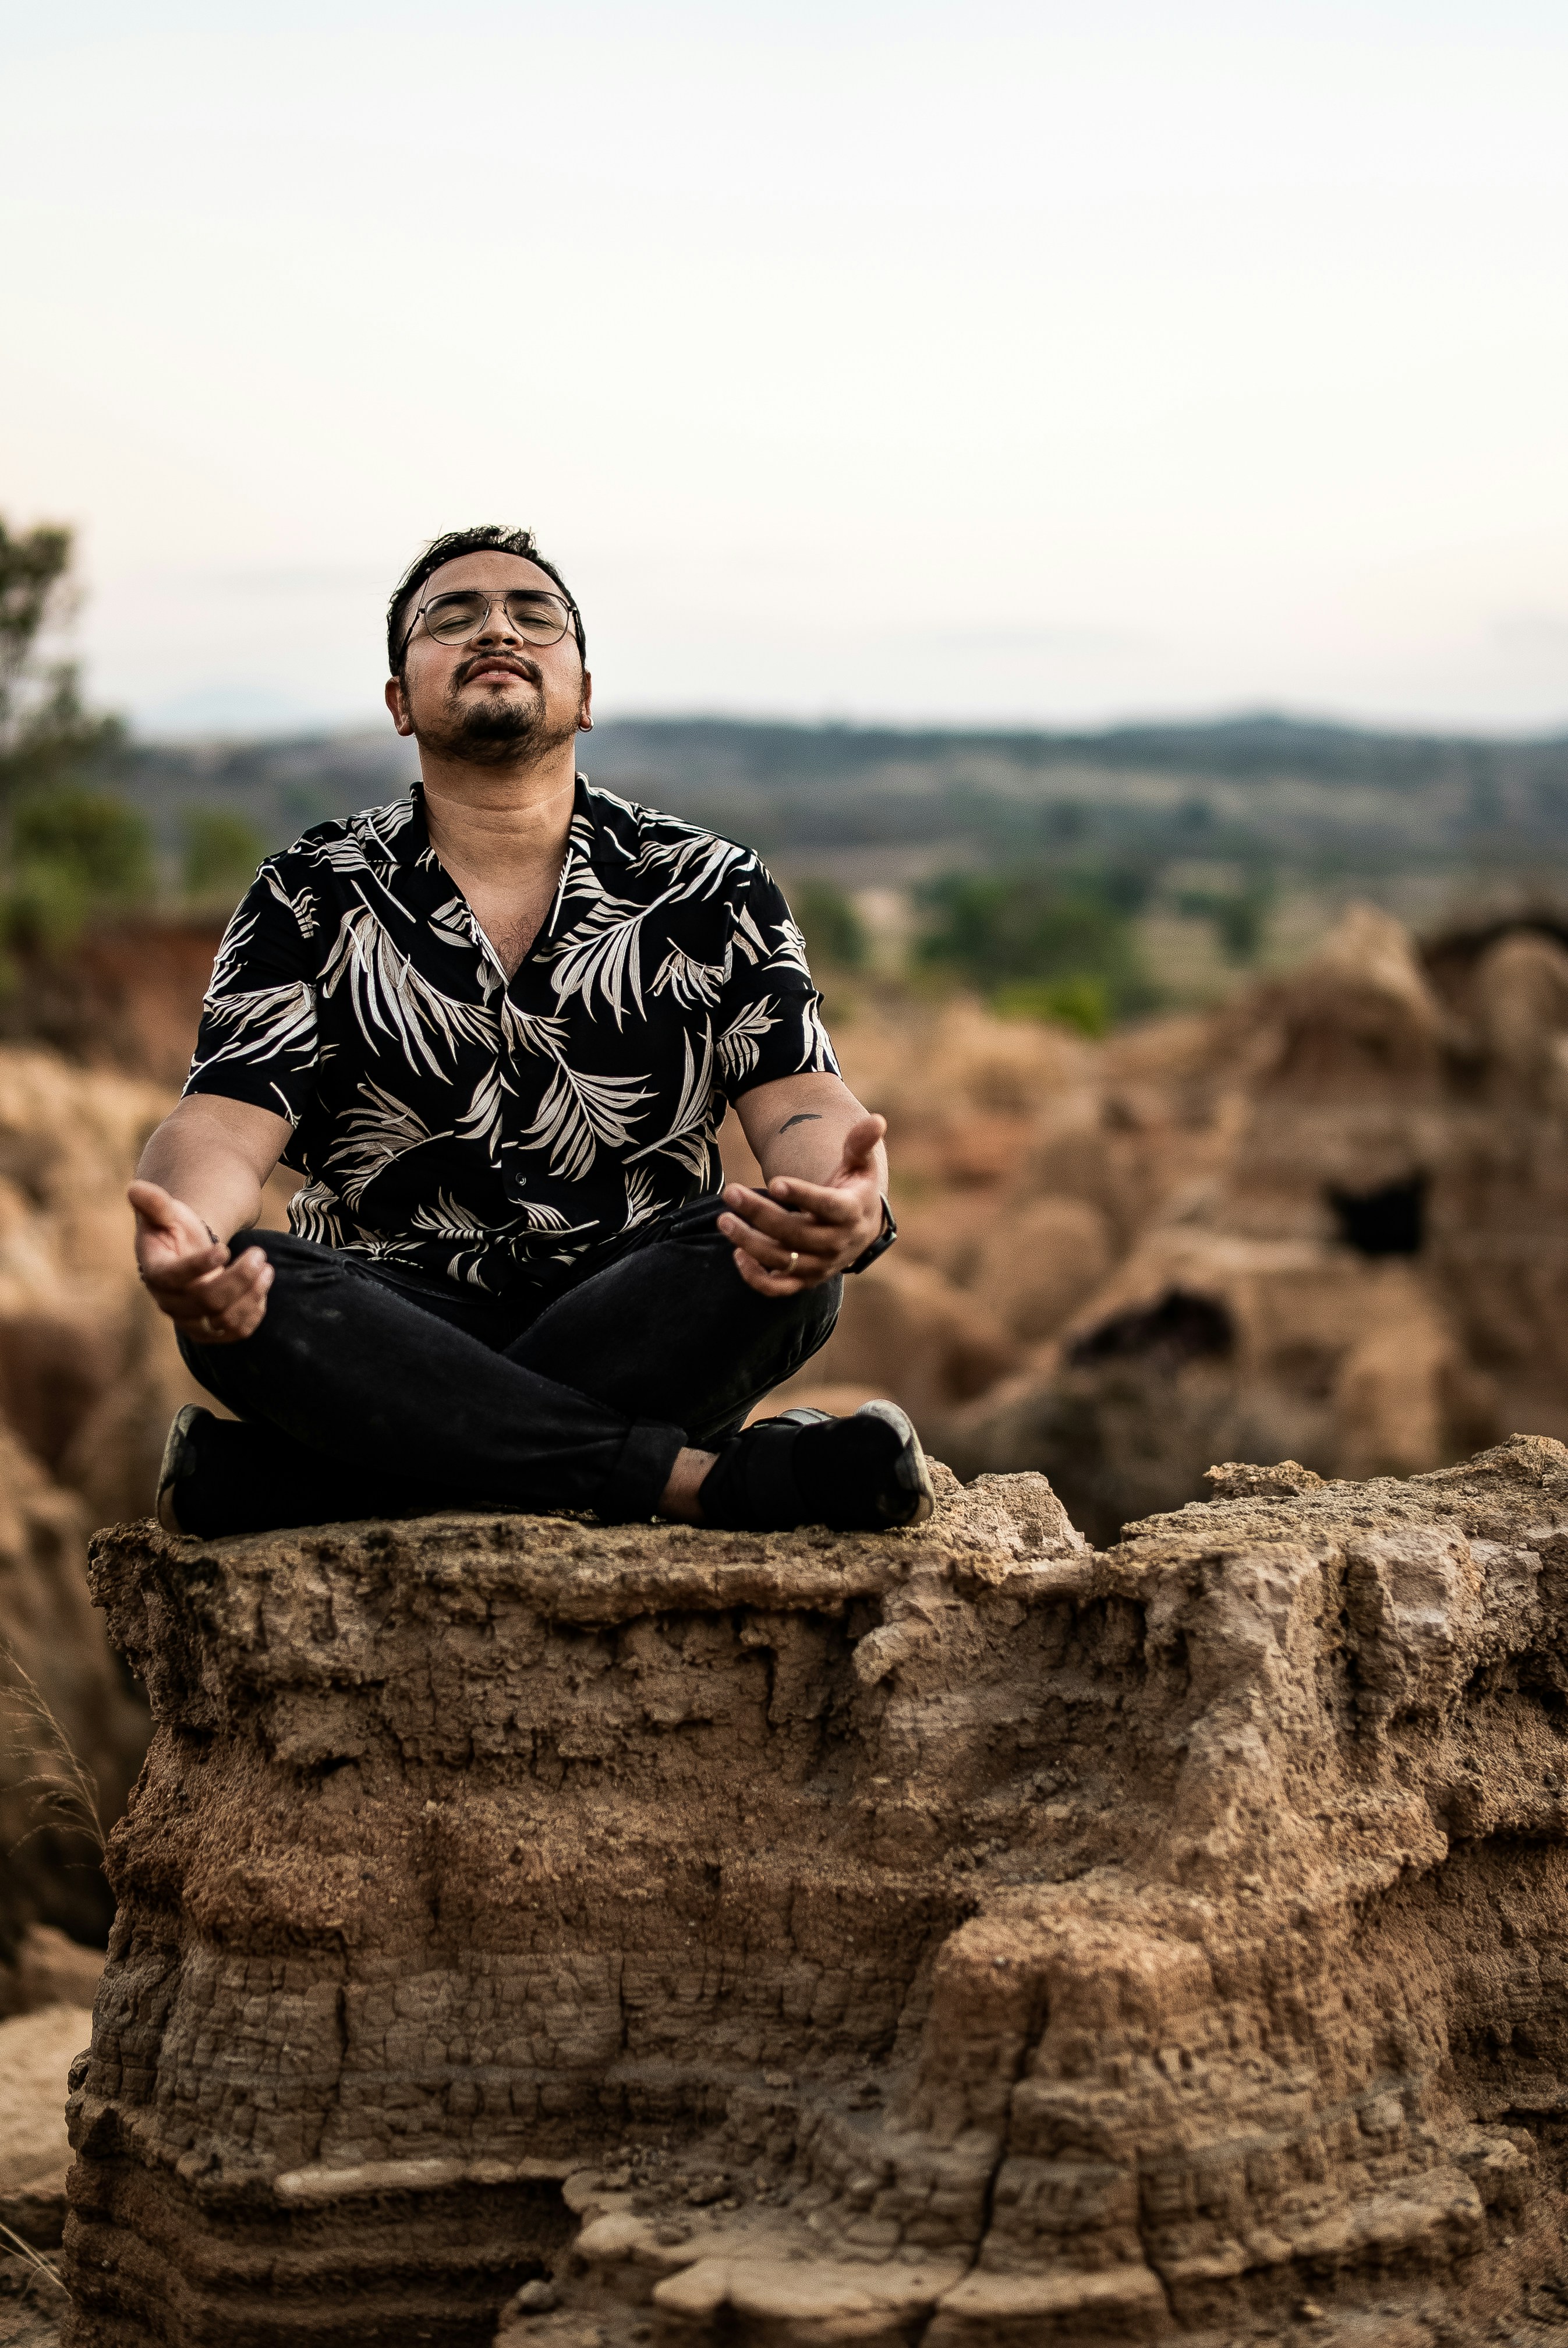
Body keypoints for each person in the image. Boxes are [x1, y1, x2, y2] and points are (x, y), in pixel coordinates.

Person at [129, 525, 931, 1539]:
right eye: (449, 618)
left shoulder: (708, 883)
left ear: (584, 696)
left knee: (772, 1263)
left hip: (637, 1308)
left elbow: (802, 1098)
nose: (495, 627)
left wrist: (841, 1201)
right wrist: (194, 1240)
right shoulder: (310, 890)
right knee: (263, 1288)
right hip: (390, 1317)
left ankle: (318, 1480)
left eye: (532, 614)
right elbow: (224, 1117)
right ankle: (702, 1484)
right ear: (399, 701)